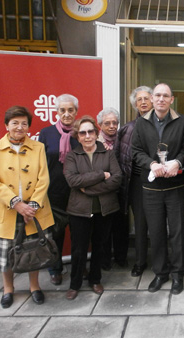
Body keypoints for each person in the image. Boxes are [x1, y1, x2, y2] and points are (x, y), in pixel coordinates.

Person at [0, 106, 55, 308]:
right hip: (6, 210)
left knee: (33, 250)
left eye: (24, 123)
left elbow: (44, 179)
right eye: (15, 123)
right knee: (6, 253)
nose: (20, 127)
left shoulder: (38, 147)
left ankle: (34, 286)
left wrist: (31, 205)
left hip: (34, 211)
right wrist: (17, 203)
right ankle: (8, 288)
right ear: (6, 125)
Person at [132, 83, 184, 295]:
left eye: (165, 96)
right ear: (151, 98)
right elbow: (135, 151)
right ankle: (160, 273)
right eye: (157, 95)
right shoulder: (141, 123)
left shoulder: (182, 121)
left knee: (178, 232)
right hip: (151, 188)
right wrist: (151, 164)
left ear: (171, 99)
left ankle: (178, 274)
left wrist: (177, 162)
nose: (161, 99)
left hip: (176, 187)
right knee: (156, 233)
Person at [63, 115, 122, 300]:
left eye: (90, 132)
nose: (87, 136)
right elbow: (73, 180)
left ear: (96, 133)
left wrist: (87, 188)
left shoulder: (108, 153)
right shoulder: (72, 155)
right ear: (77, 136)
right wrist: (101, 174)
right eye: (83, 133)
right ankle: (75, 284)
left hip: (105, 209)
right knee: (79, 249)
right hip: (79, 211)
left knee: (100, 246)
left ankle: (95, 279)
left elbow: (117, 179)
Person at [38, 94, 79, 286]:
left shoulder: (81, 132)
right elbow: (40, 164)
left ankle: (80, 266)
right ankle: (55, 268)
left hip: (78, 191)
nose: (67, 114)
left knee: (80, 231)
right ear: (57, 112)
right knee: (55, 233)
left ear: (76, 112)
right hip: (53, 192)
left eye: (71, 110)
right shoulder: (46, 133)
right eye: (63, 110)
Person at [115, 86, 153, 276]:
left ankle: (161, 259)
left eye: (147, 98)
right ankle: (140, 261)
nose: (143, 102)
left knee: (158, 222)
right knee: (140, 223)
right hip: (136, 181)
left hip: (158, 181)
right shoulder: (127, 129)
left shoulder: (162, 125)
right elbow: (118, 157)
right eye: (139, 100)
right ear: (135, 104)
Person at [96, 107, 121, 270]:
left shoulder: (123, 139)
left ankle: (120, 257)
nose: (112, 126)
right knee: (103, 229)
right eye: (107, 123)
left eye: (115, 122)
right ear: (100, 125)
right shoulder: (95, 143)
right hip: (101, 192)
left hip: (120, 189)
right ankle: (104, 260)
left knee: (120, 226)